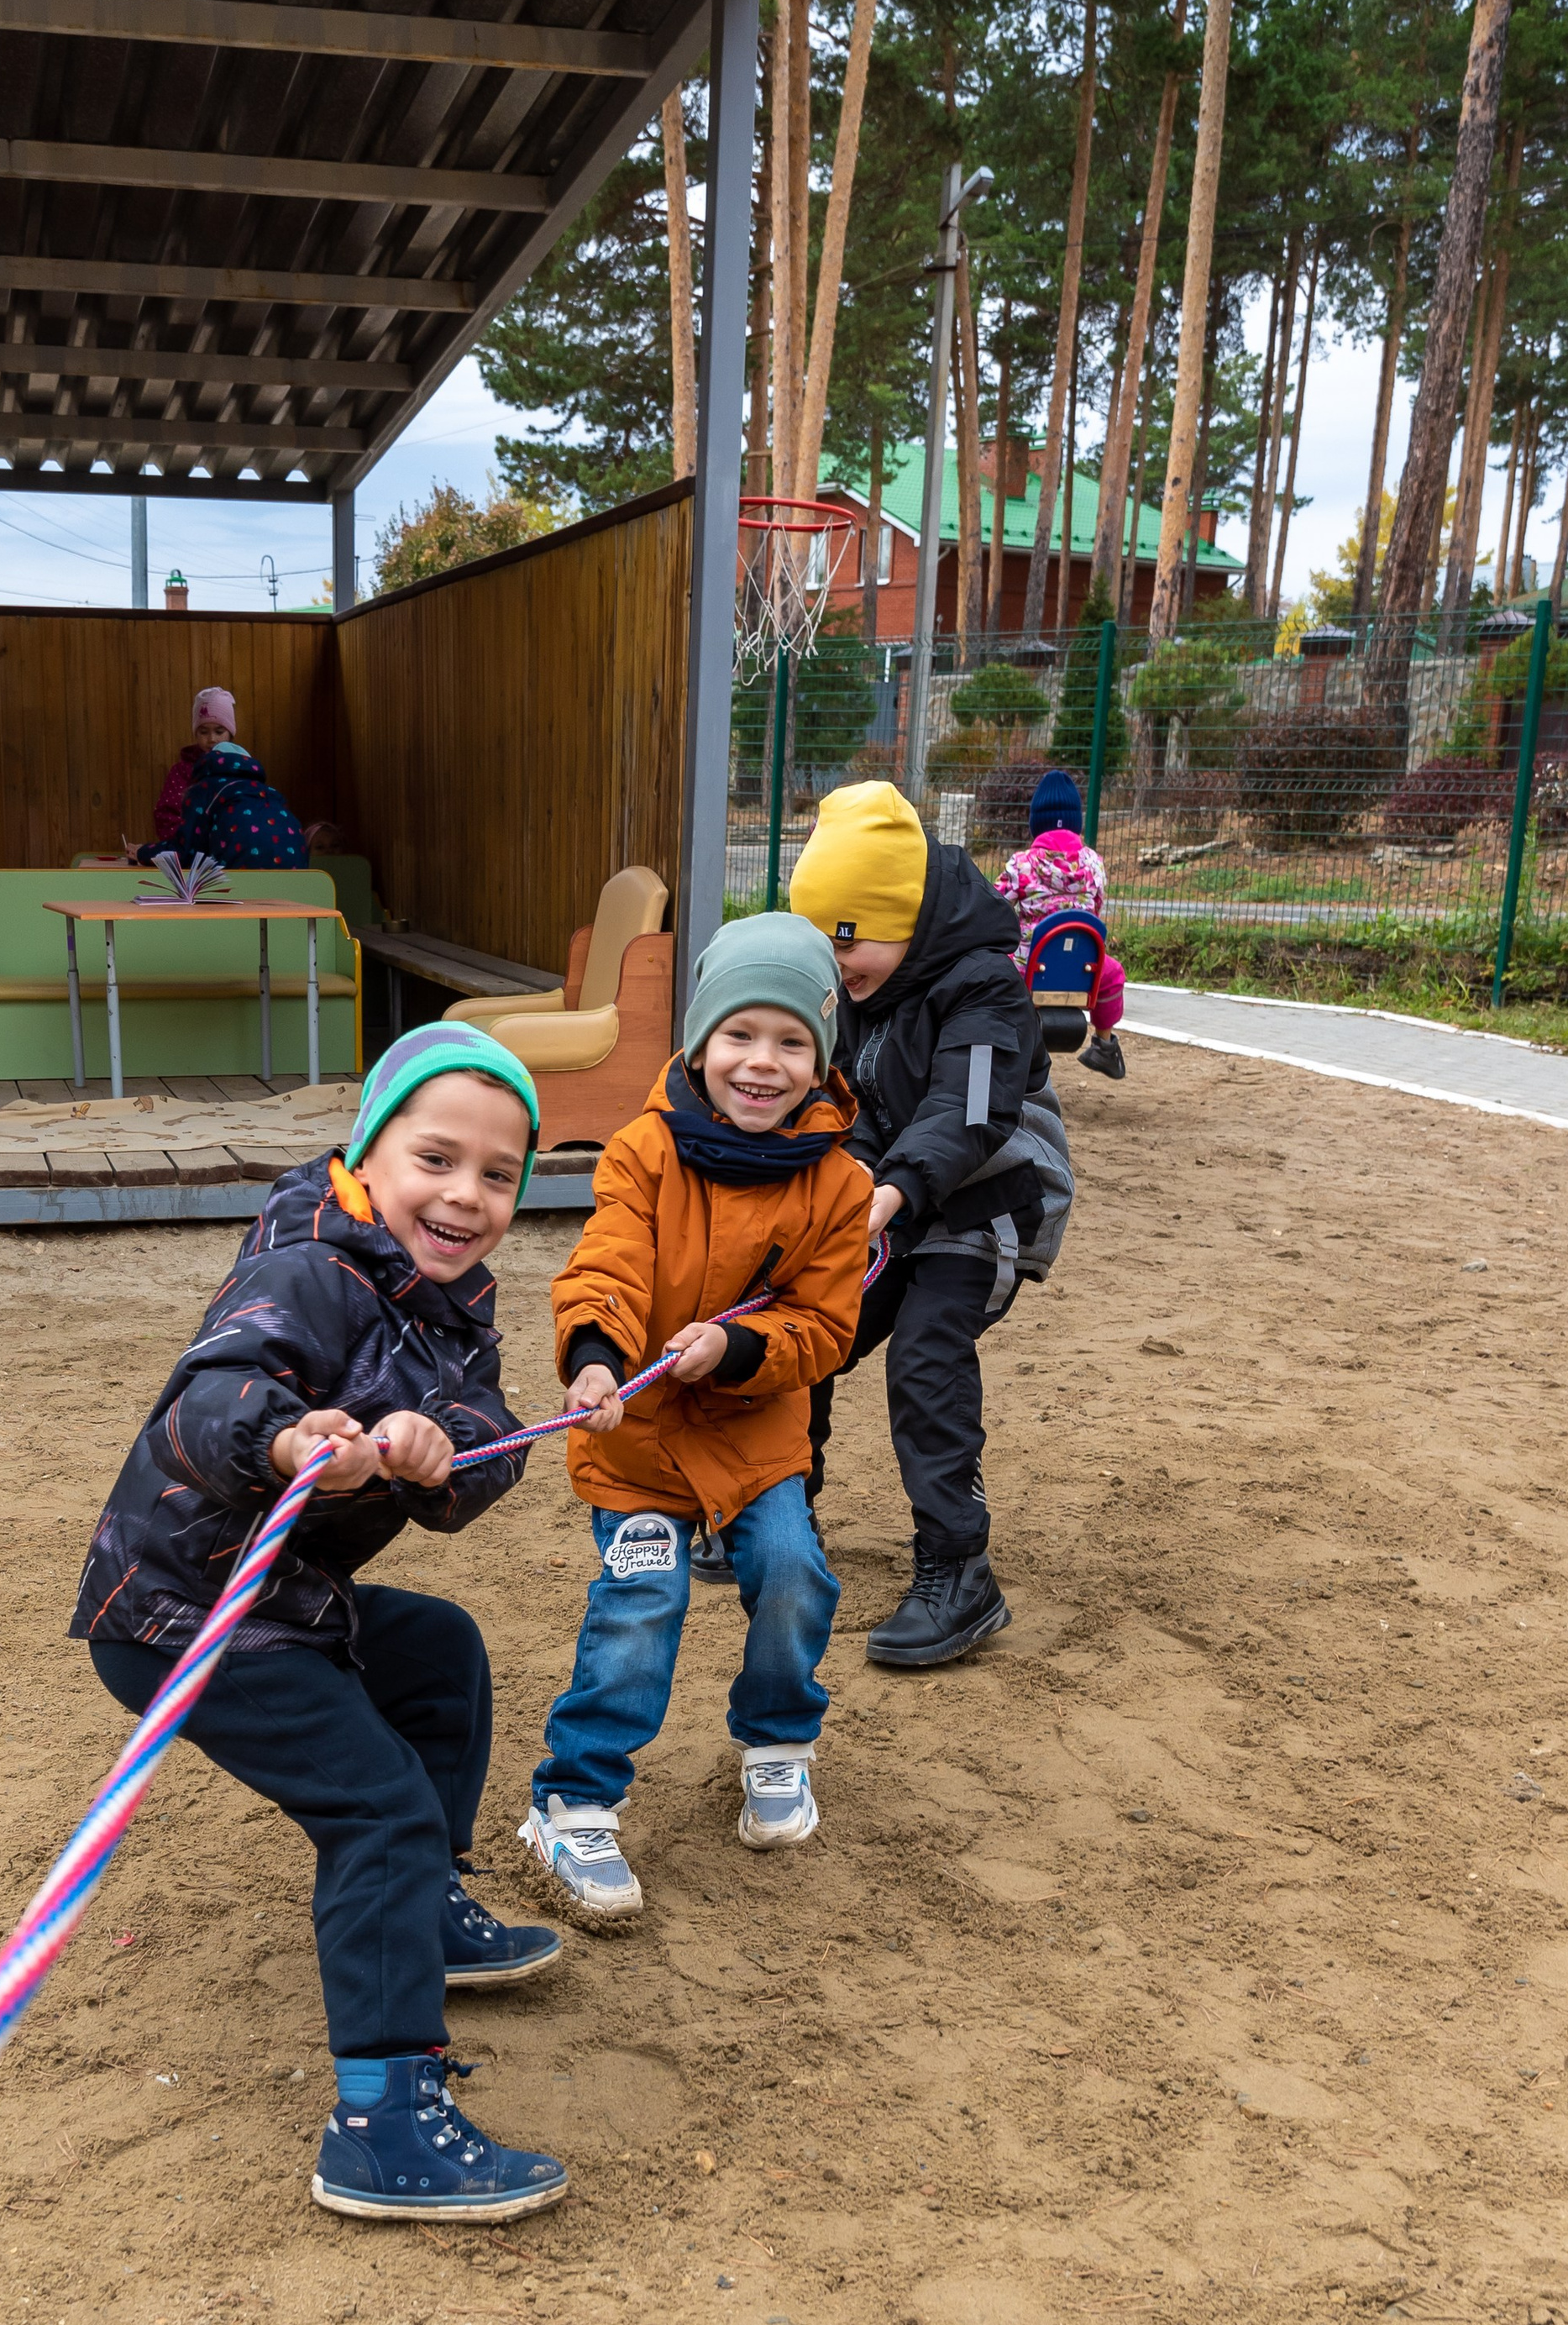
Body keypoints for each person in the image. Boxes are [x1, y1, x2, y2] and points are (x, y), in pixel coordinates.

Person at [70, 1023, 568, 2224]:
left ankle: (427, 1911)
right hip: (185, 1612)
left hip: (295, 1602)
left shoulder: (445, 1299)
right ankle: (382, 2122)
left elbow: (484, 1443)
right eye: (435, 1158)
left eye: (499, 1174)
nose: (465, 1195)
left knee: (440, 1651)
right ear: (366, 1153)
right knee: (375, 1800)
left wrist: (438, 1457)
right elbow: (213, 1396)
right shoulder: (303, 1268)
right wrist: (293, 1440)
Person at [517, 916, 870, 1923]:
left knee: (794, 1573)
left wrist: (741, 1350)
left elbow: (823, 1325)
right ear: (701, 1042)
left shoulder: (838, 1183)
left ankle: (775, 1743)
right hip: (636, 1433)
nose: (762, 1063)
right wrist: (594, 1358)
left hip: (757, 1431)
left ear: (819, 1057)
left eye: (791, 1041)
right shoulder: (641, 1149)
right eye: (740, 1035)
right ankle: (573, 1800)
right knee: (643, 1602)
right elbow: (609, 1264)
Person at [790, 781, 1073, 1673]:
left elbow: (970, 1109)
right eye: (825, 945)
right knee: (809, 1327)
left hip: (989, 1202)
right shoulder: (866, 986)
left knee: (923, 1355)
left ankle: (959, 1570)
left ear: (904, 914)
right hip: (900, 1200)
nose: (841, 966)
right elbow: (853, 1100)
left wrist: (892, 1186)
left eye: (852, 939)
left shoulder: (983, 986)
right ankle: (775, 1515)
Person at [994, 767, 1128, 1079]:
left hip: (1030, 967)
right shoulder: (1094, 864)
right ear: (1077, 824)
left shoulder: (1022, 865)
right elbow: (1094, 910)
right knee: (1113, 973)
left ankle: (1003, 1042)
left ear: (1035, 824)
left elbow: (995, 904)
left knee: (993, 971)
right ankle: (1105, 1044)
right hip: (1082, 969)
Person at [127, 685, 308, 872]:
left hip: (227, 864)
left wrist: (146, 852)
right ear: (195, 732)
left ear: (231, 733)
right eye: (203, 732)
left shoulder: (204, 787)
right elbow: (168, 815)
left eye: (219, 731)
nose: (211, 739)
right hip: (297, 867)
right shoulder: (254, 781)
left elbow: (185, 850)